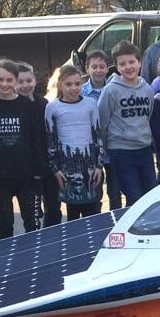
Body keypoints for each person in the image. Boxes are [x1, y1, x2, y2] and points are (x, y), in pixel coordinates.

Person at [0, 59, 47, 239]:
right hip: (0, 177)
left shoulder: (27, 106)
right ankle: (5, 262)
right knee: (3, 225)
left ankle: (33, 259)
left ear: (16, 80)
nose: (5, 84)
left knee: (32, 224)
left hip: (28, 175)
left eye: (9, 80)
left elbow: (37, 139)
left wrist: (39, 169)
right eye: (0, 80)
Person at [98, 41, 155, 204]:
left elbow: (148, 116)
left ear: (139, 62)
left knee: (149, 194)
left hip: (144, 148)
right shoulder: (111, 90)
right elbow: (102, 122)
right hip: (121, 150)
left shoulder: (147, 89)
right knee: (134, 196)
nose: (128, 67)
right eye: (122, 64)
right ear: (116, 66)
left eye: (131, 62)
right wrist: (106, 148)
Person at [46, 65, 105, 220]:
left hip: (90, 166)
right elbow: (50, 140)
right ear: (59, 85)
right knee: (72, 213)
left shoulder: (90, 103)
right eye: (68, 84)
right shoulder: (52, 107)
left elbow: (97, 135)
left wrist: (99, 165)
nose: (74, 88)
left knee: (93, 211)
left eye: (77, 84)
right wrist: (55, 169)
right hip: (67, 168)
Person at [17, 62, 61, 228]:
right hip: (27, 168)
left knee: (54, 207)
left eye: (29, 80)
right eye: (20, 82)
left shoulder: (43, 104)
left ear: (34, 80)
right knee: (33, 213)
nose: (25, 85)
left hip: (47, 163)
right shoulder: (13, 107)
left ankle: (52, 239)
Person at [81, 51, 121, 209]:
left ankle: (116, 221)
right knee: (94, 191)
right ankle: (97, 222)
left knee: (114, 188)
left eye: (102, 67)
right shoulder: (82, 91)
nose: (98, 70)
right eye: (94, 66)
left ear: (107, 68)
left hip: (111, 145)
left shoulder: (114, 88)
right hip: (91, 148)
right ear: (87, 68)